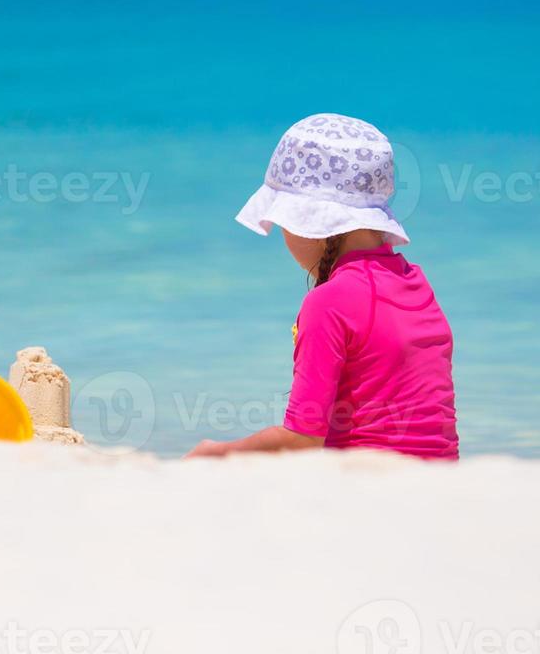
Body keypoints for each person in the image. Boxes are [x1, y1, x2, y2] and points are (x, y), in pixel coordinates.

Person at [188, 114, 458, 460]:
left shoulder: (328, 302)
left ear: (310, 222)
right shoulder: (418, 284)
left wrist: (214, 453)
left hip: (370, 489)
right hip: (443, 479)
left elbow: (303, 439)